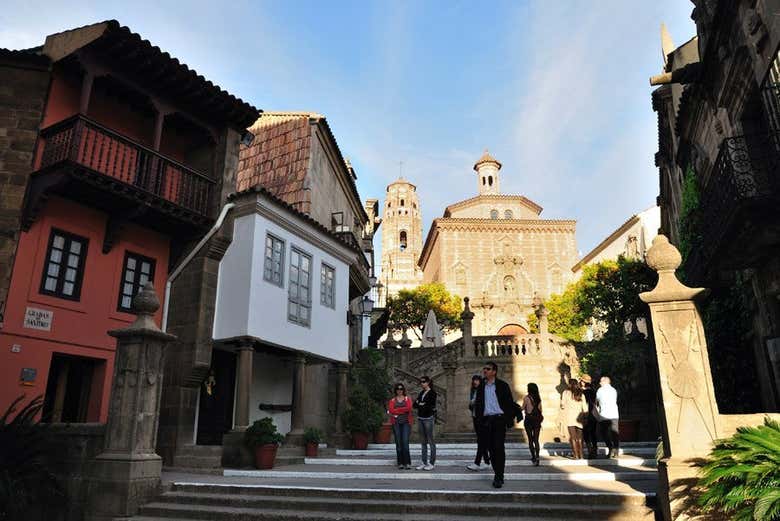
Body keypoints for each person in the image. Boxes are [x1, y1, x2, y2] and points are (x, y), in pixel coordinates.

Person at [474, 361, 516, 488]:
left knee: (498, 447)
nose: (485, 371)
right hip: (486, 421)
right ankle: (497, 473)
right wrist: (479, 420)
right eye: (484, 369)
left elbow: (509, 403)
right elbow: (479, 404)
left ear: (494, 371)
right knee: (491, 449)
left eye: (488, 369)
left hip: (499, 420)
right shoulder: (481, 387)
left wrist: (507, 419)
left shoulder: (503, 385)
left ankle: (499, 476)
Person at [467, 375, 490, 471]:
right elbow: (471, 404)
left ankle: (477, 462)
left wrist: (474, 402)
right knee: (481, 441)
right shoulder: (473, 391)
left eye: (477, 380)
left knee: (481, 441)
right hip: (475, 417)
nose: (475, 382)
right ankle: (487, 461)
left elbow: (483, 404)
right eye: (474, 380)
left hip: (482, 418)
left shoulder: (483, 391)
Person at [413, 375, 437, 470]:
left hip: (428, 418)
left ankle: (431, 462)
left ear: (428, 382)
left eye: (423, 382)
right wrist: (421, 404)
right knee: (423, 442)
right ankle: (424, 462)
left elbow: (429, 407)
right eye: (421, 382)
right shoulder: (421, 392)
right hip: (420, 418)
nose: (422, 383)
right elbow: (415, 404)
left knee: (431, 440)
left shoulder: (432, 393)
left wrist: (421, 404)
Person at [388, 383, 413, 469]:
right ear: (396, 390)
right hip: (396, 423)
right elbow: (391, 410)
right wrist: (403, 410)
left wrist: (397, 410)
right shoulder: (392, 400)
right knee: (398, 443)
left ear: (403, 390)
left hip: (406, 423)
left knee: (405, 443)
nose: (400, 391)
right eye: (398, 389)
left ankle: (408, 463)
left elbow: (409, 408)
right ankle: (400, 463)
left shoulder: (407, 399)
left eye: (401, 389)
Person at [560, 379, 587, 459]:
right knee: (580, 438)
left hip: (570, 417)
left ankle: (575, 455)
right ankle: (581, 455)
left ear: (569, 384)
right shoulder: (581, 393)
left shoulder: (566, 393)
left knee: (573, 437)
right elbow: (585, 407)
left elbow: (562, 405)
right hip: (580, 417)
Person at [596, 376, 620, 458]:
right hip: (614, 414)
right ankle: (616, 450)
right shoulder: (614, 390)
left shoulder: (600, 390)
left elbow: (597, 401)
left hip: (604, 414)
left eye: (601, 381)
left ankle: (610, 448)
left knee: (604, 433)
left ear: (605, 382)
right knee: (615, 433)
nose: (599, 383)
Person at [522, 382, 543, 466]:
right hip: (537, 420)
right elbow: (541, 410)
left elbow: (523, 408)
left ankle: (533, 456)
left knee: (530, 439)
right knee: (536, 439)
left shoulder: (526, 398)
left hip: (529, 420)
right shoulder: (538, 398)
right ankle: (538, 457)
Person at [580, 374, 598, 459]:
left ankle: (590, 450)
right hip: (593, 414)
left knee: (586, 433)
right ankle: (594, 450)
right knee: (593, 433)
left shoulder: (582, 392)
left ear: (583, 382)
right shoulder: (594, 391)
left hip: (586, 414)